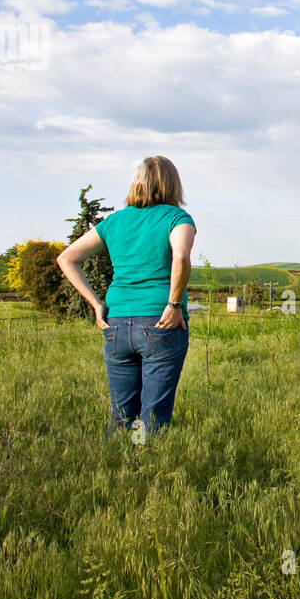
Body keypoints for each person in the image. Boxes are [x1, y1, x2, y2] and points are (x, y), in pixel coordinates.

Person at [58, 156, 196, 437]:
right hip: (161, 323)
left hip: (116, 323)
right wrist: (173, 304)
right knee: (153, 416)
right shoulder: (176, 218)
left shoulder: (115, 221)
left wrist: (97, 303)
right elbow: (181, 256)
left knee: (121, 413)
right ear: (173, 185)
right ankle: (145, 470)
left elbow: (67, 258)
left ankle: (117, 467)